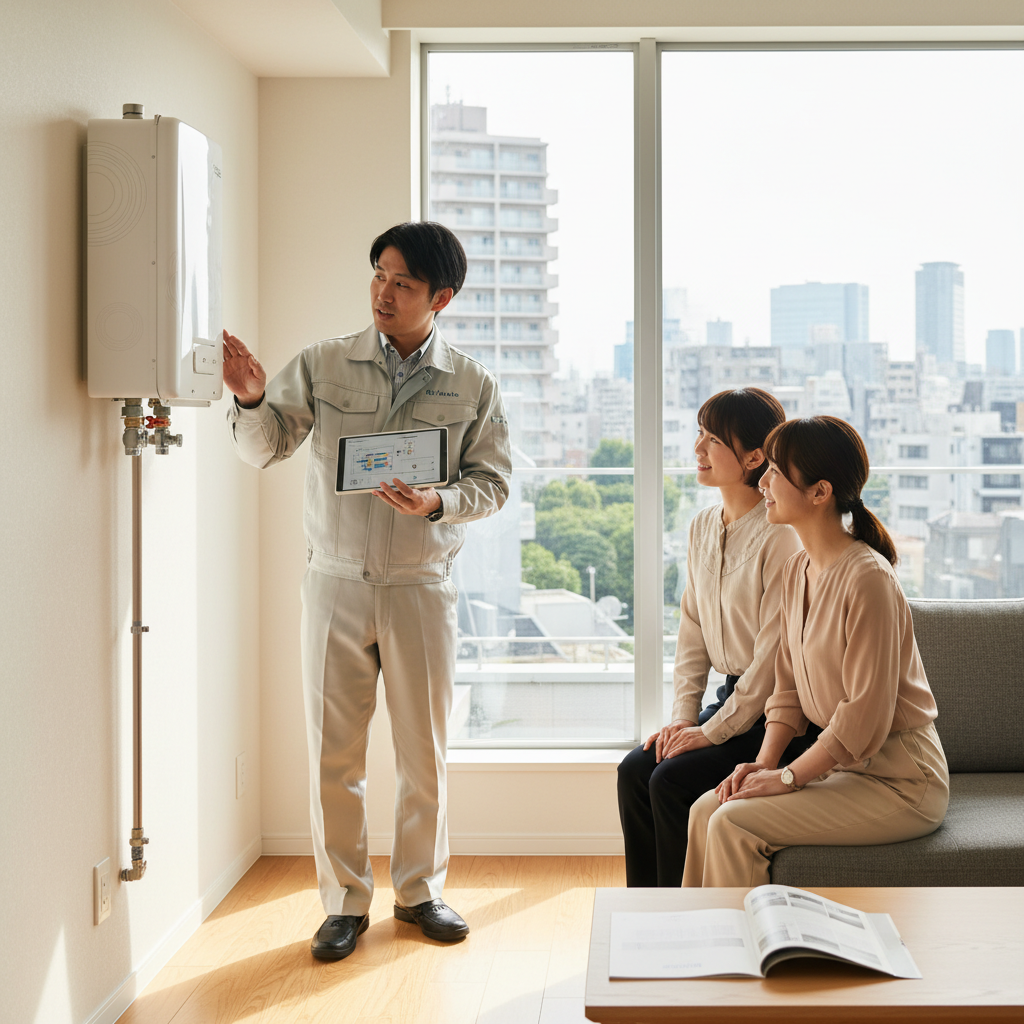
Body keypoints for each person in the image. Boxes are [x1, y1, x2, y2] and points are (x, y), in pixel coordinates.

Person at [222, 222, 511, 959]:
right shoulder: (324, 362)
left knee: (425, 753)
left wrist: (436, 502)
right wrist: (254, 400)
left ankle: (420, 893)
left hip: (421, 586)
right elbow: (263, 450)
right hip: (335, 584)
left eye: (403, 283)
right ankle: (343, 903)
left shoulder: (472, 383)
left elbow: (495, 483)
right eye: (378, 275)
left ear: (440, 297)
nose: (384, 292)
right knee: (333, 756)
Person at [683, 415, 949, 888]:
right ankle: (700, 942)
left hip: (902, 781)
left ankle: (739, 957)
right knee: (707, 805)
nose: (762, 481)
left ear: (819, 491)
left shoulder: (868, 579)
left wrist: (788, 778)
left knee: (733, 821)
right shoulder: (798, 569)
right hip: (851, 770)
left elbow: (863, 715)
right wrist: (765, 764)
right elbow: (785, 691)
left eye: (776, 473)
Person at [617, 388, 809, 888]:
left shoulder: (780, 535)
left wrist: (709, 733)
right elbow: (692, 633)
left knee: (670, 780)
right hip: (730, 699)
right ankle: (649, 911)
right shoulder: (702, 526)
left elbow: (771, 663)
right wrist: (682, 721)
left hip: (774, 716)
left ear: (754, 456)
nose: (698, 449)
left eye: (713, 439)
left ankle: (685, 919)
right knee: (636, 769)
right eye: (698, 435)